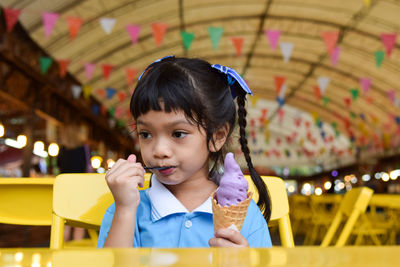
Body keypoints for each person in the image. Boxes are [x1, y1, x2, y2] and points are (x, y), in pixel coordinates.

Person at [97, 56, 272, 248]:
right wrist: (125, 210)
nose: (159, 150)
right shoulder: (126, 208)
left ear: (217, 136)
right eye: (145, 134)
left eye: (178, 133)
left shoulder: (247, 215)